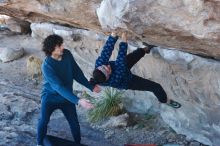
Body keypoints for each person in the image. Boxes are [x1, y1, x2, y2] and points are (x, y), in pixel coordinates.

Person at [37, 34, 100, 146]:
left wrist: (91, 87)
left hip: (66, 97)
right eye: (59, 46)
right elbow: (58, 87)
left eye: (61, 44)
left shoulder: (67, 54)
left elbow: (77, 73)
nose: (62, 47)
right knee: (43, 121)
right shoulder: (46, 66)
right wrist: (78, 100)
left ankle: (77, 144)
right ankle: (39, 144)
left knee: (74, 123)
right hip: (50, 97)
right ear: (51, 49)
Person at [90, 31, 181, 108]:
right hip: (128, 81)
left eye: (105, 66)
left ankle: (146, 49)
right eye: (108, 70)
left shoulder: (100, 64)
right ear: (108, 76)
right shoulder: (116, 76)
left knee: (136, 54)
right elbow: (121, 58)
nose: (108, 66)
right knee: (155, 87)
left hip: (119, 67)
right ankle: (165, 100)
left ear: (99, 67)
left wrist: (113, 37)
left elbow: (106, 51)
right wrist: (124, 41)